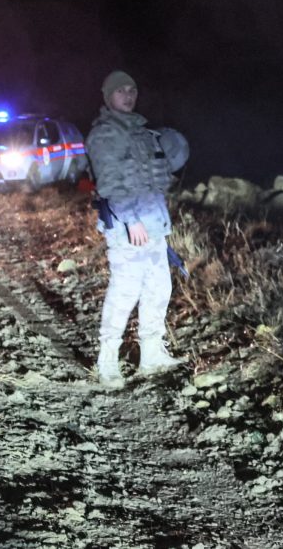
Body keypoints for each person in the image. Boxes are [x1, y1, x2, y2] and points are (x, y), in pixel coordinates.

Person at [86, 70, 186, 389]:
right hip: (128, 227)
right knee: (125, 291)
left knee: (159, 289)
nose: (128, 95)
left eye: (132, 90)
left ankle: (153, 355)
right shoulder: (105, 134)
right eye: (120, 91)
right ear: (108, 96)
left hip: (153, 224)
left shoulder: (143, 131)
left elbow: (156, 176)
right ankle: (107, 362)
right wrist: (131, 218)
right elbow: (110, 182)